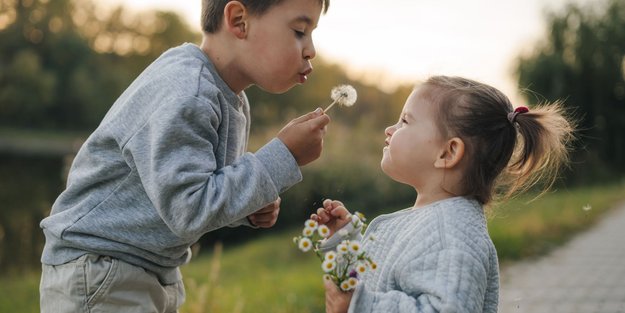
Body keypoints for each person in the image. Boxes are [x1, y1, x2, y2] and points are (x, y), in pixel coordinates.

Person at [39, 0, 331, 312]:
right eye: (300, 31)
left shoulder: (228, 97)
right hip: (102, 269)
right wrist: (281, 157)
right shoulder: (187, 92)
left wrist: (246, 208)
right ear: (239, 21)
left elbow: (201, 190)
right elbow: (188, 209)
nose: (310, 49)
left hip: (145, 269)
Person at [312, 75, 575, 313]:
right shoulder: (432, 222)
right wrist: (343, 242)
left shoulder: (450, 236)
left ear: (448, 153)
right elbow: (375, 280)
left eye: (405, 121)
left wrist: (361, 306)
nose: (389, 130)